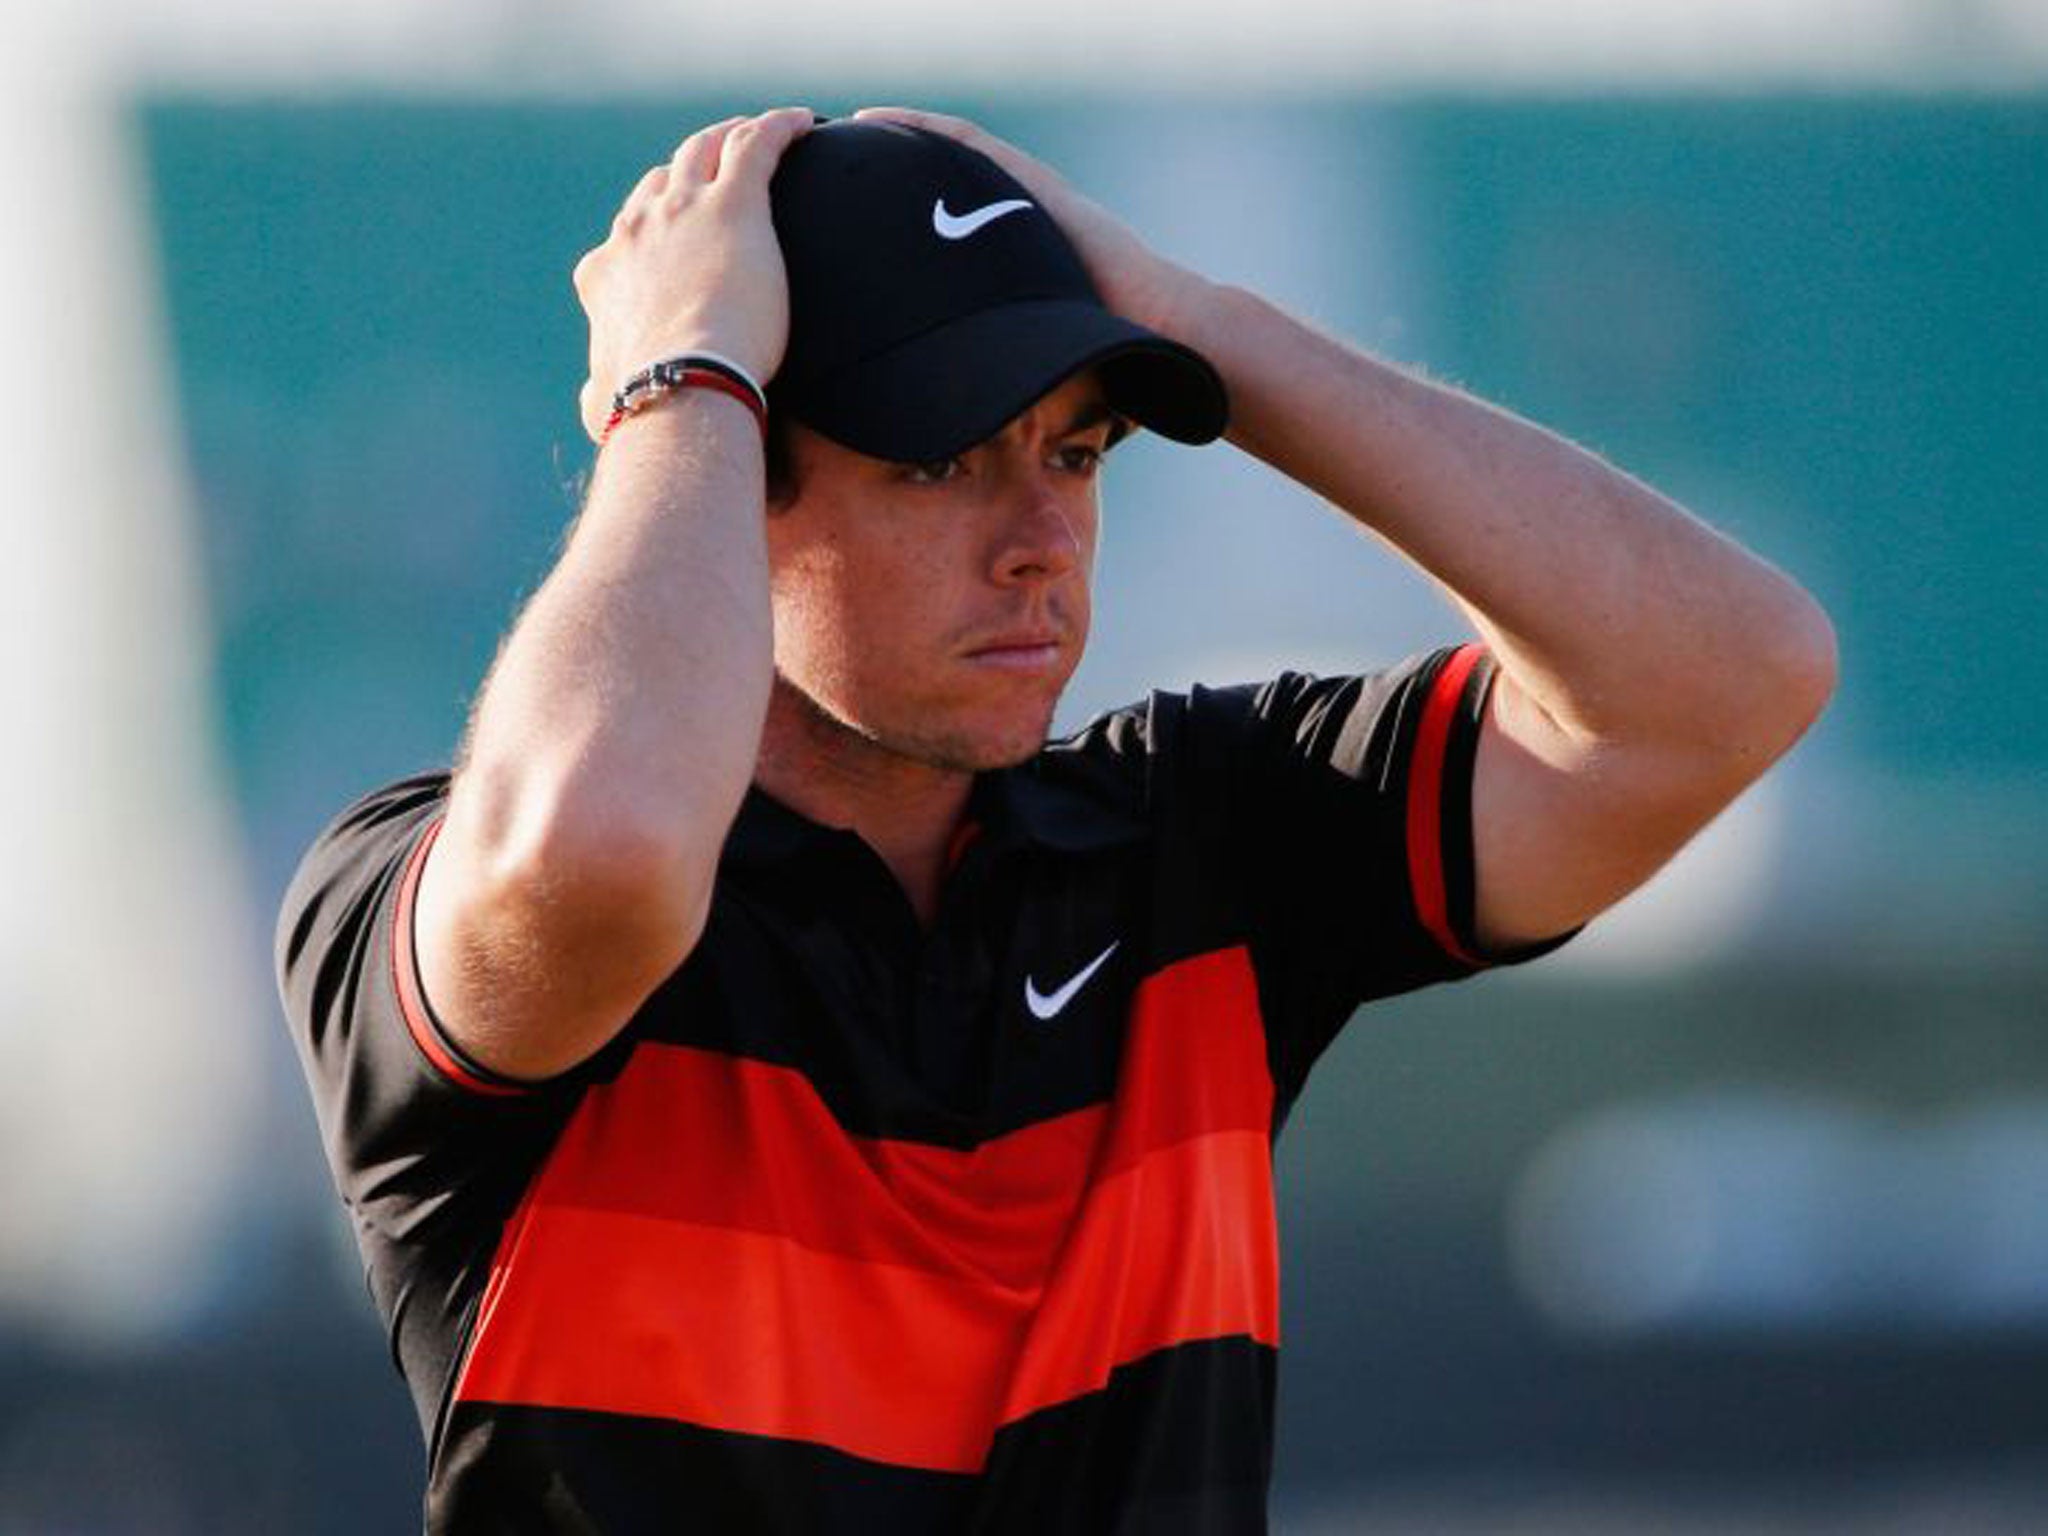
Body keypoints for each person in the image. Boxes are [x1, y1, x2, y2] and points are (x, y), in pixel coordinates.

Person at [277, 107, 1837, 1533]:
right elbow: (596, 852)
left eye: (1076, 450)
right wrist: (679, 376)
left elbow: (1725, 683)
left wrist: (1190, 325)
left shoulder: (1196, 835)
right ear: (737, 473)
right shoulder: (419, 881)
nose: (1042, 543)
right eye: (944, 459)